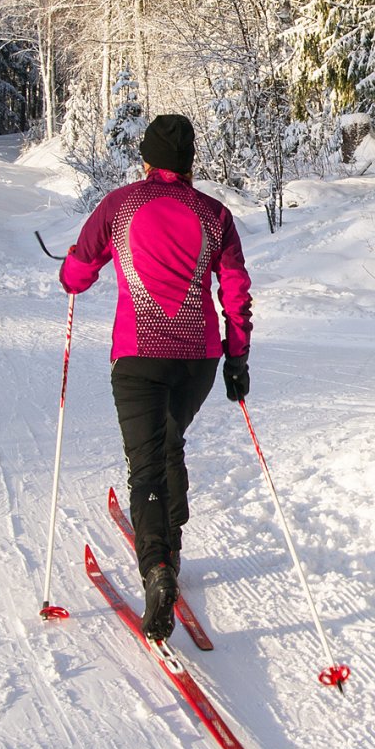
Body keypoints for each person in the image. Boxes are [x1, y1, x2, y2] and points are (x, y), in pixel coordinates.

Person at [59, 113, 253, 642]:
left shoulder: (120, 205)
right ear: (189, 163)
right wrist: (237, 358)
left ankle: (158, 567)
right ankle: (173, 543)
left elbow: (80, 269)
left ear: (146, 159)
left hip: (139, 355)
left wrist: (69, 274)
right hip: (198, 357)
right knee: (170, 441)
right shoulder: (214, 214)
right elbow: (235, 290)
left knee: (146, 465)